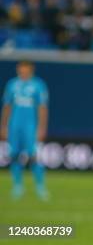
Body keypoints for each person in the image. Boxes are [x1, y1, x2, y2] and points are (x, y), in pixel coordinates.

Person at [0, 61, 49, 200]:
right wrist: (3, 126)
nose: (23, 72)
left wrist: (42, 128)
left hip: (30, 126)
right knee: (14, 154)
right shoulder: (12, 85)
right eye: (21, 69)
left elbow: (42, 108)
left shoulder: (38, 85)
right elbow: (7, 106)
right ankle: (17, 186)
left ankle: (40, 187)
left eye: (26, 69)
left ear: (31, 70)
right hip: (14, 125)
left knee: (34, 156)